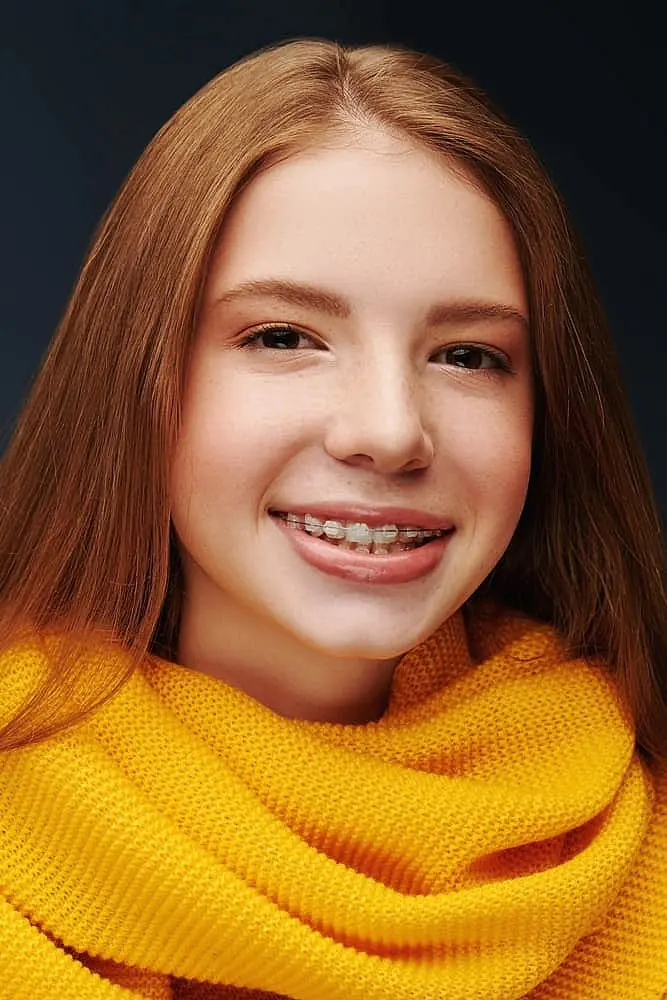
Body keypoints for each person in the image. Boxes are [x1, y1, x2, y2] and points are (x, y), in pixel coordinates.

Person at [0, 36, 665, 1000]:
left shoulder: (632, 838)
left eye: (467, 355)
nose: (388, 432)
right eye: (284, 336)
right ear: (135, 376)